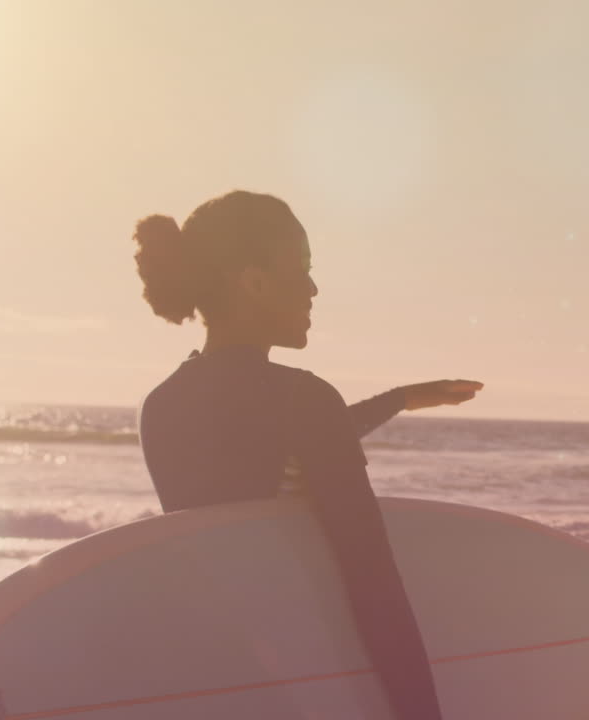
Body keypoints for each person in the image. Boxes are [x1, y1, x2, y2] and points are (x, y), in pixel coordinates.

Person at [133, 190, 482, 720]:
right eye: (301, 268)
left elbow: (269, 453)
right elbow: (375, 586)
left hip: (221, 682)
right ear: (253, 282)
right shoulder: (304, 399)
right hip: (309, 682)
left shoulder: (160, 406)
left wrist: (401, 399)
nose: (314, 288)